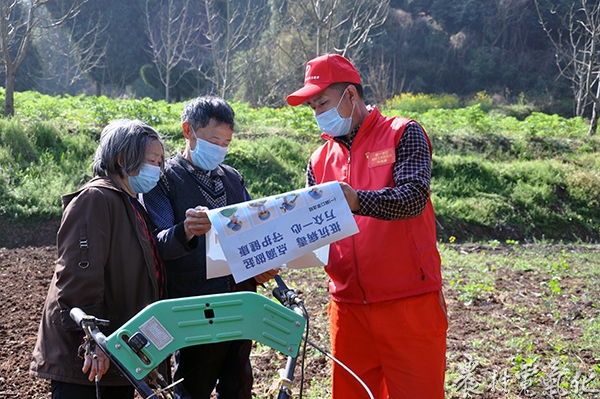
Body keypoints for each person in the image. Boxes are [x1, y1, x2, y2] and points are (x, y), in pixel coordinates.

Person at [286, 54, 447, 399]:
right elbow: (316, 232)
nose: (318, 114)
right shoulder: (318, 160)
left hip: (407, 301)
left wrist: (358, 200)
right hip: (347, 307)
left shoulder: (403, 133)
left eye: (323, 103)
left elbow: (413, 197)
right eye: (312, 107)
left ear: (351, 96)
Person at [142, 96, 276, 399]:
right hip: (194, 305)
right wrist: (185, 231)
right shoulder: (164, 180)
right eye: (214, 139)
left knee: (239, 383)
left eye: (226, 142)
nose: (221, 149)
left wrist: (261, 267)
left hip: (240, 299)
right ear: (188, 130)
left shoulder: (232, 179)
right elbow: (156, 245)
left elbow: (251, 234)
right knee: (194, 384)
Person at [30, 119, 166, 399]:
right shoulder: (95, 199)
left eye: (161, 161)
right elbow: (79, 276)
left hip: (119, 351)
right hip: (91, 359)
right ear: (121, 160)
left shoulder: (130, 202)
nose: (159, 168)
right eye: (153, 160)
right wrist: (91, 341)